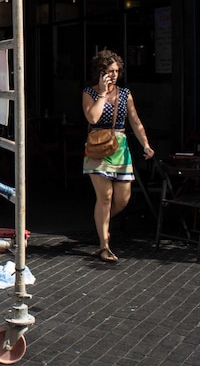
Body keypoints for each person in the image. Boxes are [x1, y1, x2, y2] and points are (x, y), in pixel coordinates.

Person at [81, 49, 154, 262]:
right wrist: (102, 94)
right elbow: (93, 118)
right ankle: (104, 245)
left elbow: (135, 120)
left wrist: (146, 145)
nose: (113, 75)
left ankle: (100, 222)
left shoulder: (125, 93)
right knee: (105, 198)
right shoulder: (90, 92)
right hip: (98, 147)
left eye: (116, 71)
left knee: (123, 199)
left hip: (120, 148)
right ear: (100, 72)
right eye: (109, 71)